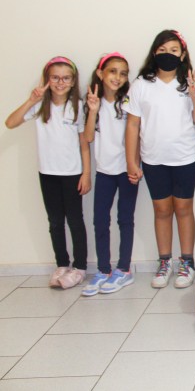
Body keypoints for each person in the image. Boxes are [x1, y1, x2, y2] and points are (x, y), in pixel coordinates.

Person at [124, 29, 195, 288]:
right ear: (154, 53)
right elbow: (133, 125)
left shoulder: (189, 84)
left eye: (173, 50)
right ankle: (164, 262)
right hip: (153, 160)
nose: (167, 54)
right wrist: (131, 162)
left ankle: (187, 262)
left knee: (184, 209)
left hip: (185, 158)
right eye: (162, 50)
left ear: (182, 55)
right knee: (161, 210)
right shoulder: (141, 85)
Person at [5, 56, 90, 289]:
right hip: (47, 173)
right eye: (55, 78)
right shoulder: (39, 105)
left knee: (75, 220)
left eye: (66, 78)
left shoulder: (78, 106)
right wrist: (31, 100)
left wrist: (86, 174)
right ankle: (61, 264)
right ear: (47, 80)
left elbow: (84, 144)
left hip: (72, 173)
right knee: (55, 221)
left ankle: (80, 266)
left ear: (73, 81)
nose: (60, 82)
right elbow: (10, 123)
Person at [82, 52, 139, 295]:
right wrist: (92, 110)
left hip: (127, 171)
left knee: (125, 219)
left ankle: (124, 269)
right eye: (113, 71)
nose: (118, 77)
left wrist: (135, 165)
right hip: (104, 171)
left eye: (123, 73)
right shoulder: (91, 102)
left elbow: (137, 135)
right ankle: (103, 269)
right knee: (100, 221)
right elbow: (88, 137)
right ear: (100, 73)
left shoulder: (128, 102)